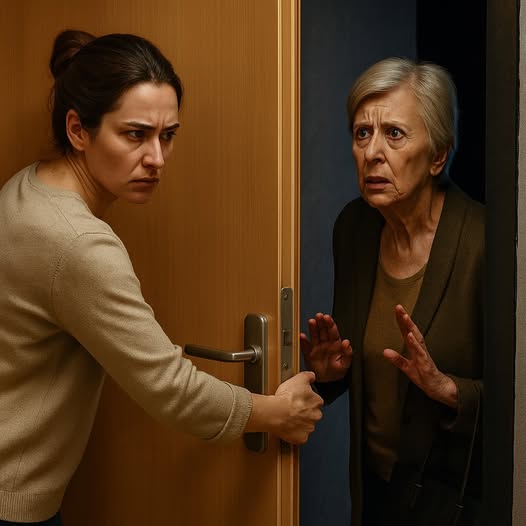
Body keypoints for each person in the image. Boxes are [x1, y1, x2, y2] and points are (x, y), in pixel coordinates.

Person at [0, 30, 324, 525]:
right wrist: (279, 413)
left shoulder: (27, 187)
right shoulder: (78, 243)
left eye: (167, 135)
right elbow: (171, 389)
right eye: (135, 135)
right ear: (78, 129)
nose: (156, 158)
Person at [300, 58, 483, 525]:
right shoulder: (355, 228)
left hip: (455, 503)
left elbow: (514, 398)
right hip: (376, 492)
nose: (372, 153)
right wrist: (329, 372)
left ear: (438, 155)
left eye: (394, 134)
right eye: (362, 133)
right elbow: (360, 361)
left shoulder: (487, 242)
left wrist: (449, 389)